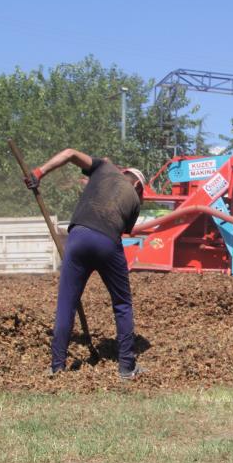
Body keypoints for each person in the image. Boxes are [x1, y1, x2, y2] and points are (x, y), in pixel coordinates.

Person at [25, 149, 146, 380]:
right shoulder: (134, 200)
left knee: (66, 304)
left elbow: (70, 153)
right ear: (138, 186)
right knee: (122, 303)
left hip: (78, 237)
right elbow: (119, 229)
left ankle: (56, 366)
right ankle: (127, 368)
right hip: (107, 242)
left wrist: (38, 173)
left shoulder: (104, 168)